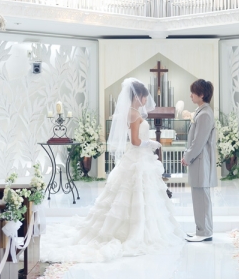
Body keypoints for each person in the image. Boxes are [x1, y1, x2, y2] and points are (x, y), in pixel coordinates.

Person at [40, 78, 185, 263]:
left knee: (139, 195)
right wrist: (151, 143)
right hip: (138, 157)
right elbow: (134, 141)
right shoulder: (133, 114)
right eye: (144, 98)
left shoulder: (132, 112)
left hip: (139, 158)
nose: (145, 102)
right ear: (138, 96)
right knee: (136, 195)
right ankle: (136, 233)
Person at [182, 79, 217, 242]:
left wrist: (187, 156)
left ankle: (204, 232)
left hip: (200, 160)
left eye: (193, 92)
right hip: (198, 160)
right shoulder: (201, 112)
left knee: (201, 197)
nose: (190, 95)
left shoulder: (204, 114)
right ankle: (201, 230)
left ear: (201, 94)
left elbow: (199, 141)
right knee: (199, 196)